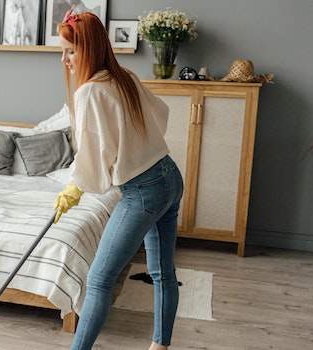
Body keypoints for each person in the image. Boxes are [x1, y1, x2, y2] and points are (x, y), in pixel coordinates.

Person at [52, 11, 184, 350]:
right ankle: (160, 346)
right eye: (63, 50)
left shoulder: (89, 93)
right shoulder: (124, 76)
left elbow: (94, 155)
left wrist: (75, 187)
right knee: (163, 272)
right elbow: (160, 114)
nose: (65, 59)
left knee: (97, 280)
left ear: (90, 48)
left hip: (142, 191)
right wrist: (137, 147)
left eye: (71, 50)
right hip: (169, 175)